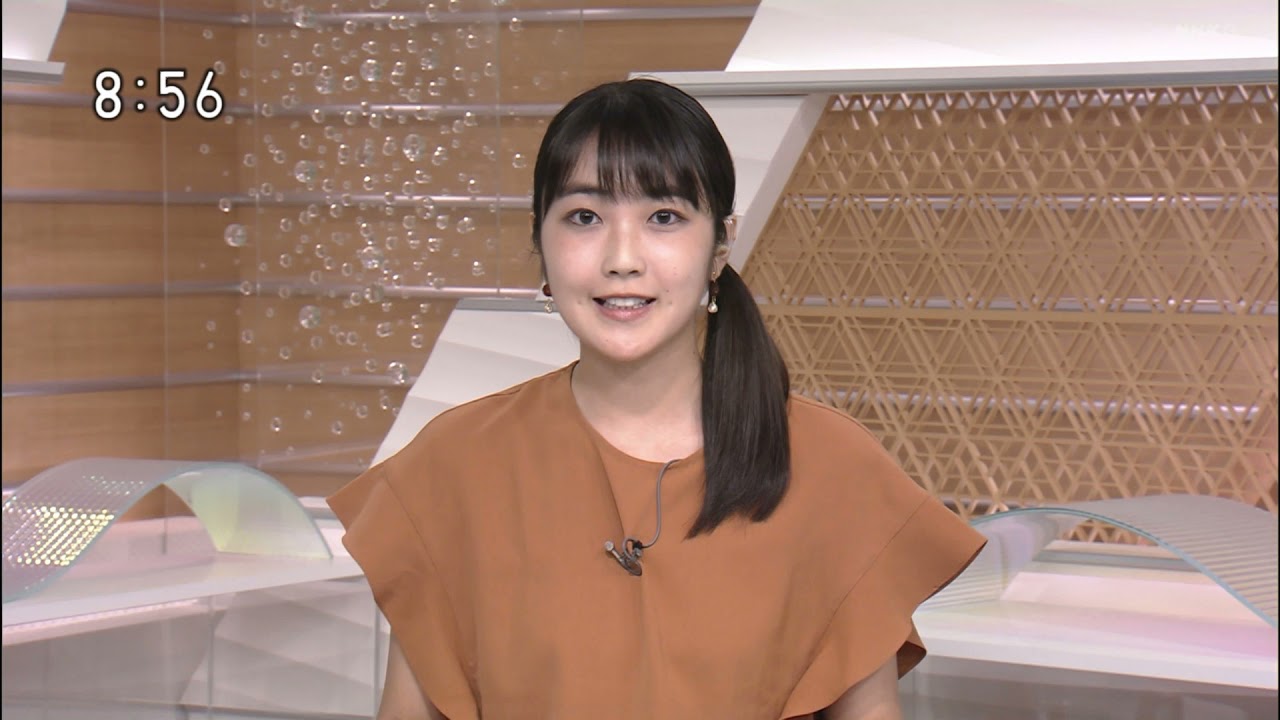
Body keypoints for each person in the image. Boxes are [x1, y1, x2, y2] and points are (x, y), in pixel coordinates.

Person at [327, 78, 986, 720]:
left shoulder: (831, 466)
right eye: (584, 217)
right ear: (540, 245)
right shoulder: (454, 465)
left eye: (663, 217)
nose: (622, 258)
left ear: (720, 245)